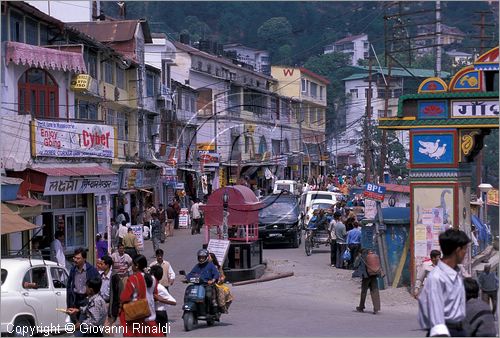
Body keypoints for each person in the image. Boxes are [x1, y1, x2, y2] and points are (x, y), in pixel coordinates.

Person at [418, 228, 471, 337]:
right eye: (465, 250)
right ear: (457, 250)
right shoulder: (437, 278)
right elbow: (436, 318)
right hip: (445, 332)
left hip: (459, 329)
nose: (465, 253)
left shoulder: (456, 273)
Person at [119, 255, 163, 337]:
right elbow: (155, 294)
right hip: (150, 316)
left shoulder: (133, 279)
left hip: (137, 317)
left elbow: (124, 297)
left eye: (132, 264)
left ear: (137, 266)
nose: (131, 266)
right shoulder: (153, 279)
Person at [66, 248, 100, 324]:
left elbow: (97, 285)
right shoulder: (73, 270)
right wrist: (69, 304)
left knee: (86, 322)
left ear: (84, 259)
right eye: (74, 258)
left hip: (86, 299)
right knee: (75, 322)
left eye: (78, 258)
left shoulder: (91, 270)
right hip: (75, 299)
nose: (75, 260)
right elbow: (69, 286)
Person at [187, 249, 220, 313]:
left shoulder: (210, 265)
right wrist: (186, 278)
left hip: (207, 285)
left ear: (206, 257)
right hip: (197, 285)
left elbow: (216, 274)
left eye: (203, 257)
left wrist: (212, 280)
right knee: (189, 294)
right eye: (200, 257)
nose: (201, 259)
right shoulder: (197, 266)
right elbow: (191, 274)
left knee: (208, 295)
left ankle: (208, 310)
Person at [150, 265, 176, 334]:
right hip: (151, 313)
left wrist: (161, 300)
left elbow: (174, 302)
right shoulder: (149, 287)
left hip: (160, 314)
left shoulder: (160, 288)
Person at [354, 249, 382, 314]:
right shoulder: (373, 256)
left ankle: (361, 307)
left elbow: (355, 265)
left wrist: (358, 258)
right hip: (374, 275)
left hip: (366, 276)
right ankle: (376, 308)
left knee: (364, 291)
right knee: (375, 290)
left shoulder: (362, 257)